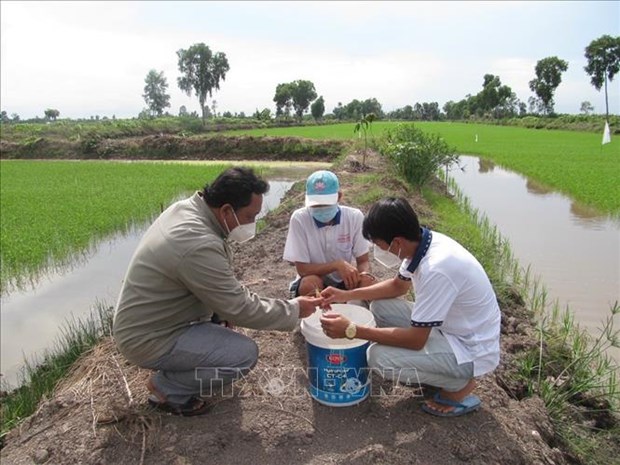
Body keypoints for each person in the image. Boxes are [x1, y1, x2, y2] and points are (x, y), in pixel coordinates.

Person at [113, 167, 321, 416]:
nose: (252, 223)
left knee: (224, 325)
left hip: (155, 320)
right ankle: (167, 389)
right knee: (242, 355)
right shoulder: (196, 243)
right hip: (148, 337)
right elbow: (241, 307)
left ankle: (182, 367)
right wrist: (295, 309)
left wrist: (217, 314)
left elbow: (208, 285)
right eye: (250, 216)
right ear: (226, 210)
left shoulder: (188, 210)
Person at [319, 197, 501, 417]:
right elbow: (398, 286)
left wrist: (351, 330)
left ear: (396, 242)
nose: (378, 249)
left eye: (378, 244)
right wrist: (346, 294)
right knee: (380, 308)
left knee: (378, 357)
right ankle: (435, 369)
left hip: (470, 350)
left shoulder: (437, 269)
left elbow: (415, 340)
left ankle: (459, 383)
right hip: (451, 328)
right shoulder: (422, 243)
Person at [283, 170, 375, 300]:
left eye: (326, 204)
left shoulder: (354, 217)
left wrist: (364, 275)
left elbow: (363, 260)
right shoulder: (300, 219)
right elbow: (302, 269)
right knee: (310, 284)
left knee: (367, 281)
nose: (321, 208)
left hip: (344, 280)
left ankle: (354, 311)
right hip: (315, 278)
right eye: (316, 205)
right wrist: (337, 265)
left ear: (339, 197)